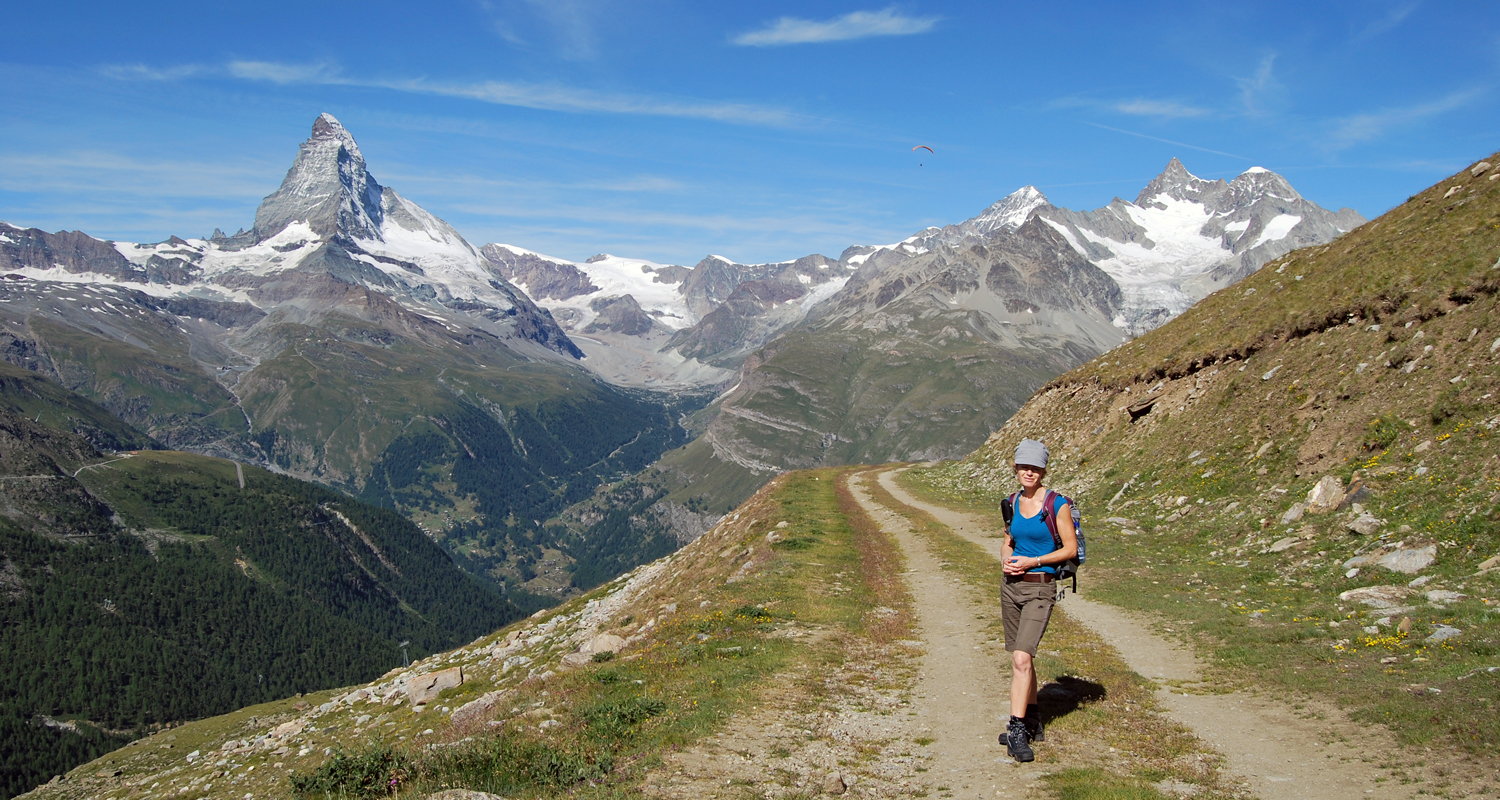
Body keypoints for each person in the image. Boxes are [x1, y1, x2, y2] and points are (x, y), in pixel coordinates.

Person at [999, 438, 1077, 763]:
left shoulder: (1057, 504)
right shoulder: (1012, 501)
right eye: (1024, 467)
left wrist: (1034, 561)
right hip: (1011, 587)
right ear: (1016, 468)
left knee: (1021, 658)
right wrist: (1006, 559)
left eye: (1035, 468)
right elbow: (1008, 540)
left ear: (1043, 471)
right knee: (1022, 658)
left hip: (1040, 588)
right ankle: (1032, 719)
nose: (1029, 472)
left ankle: (1016, 729)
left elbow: (1070, 548)